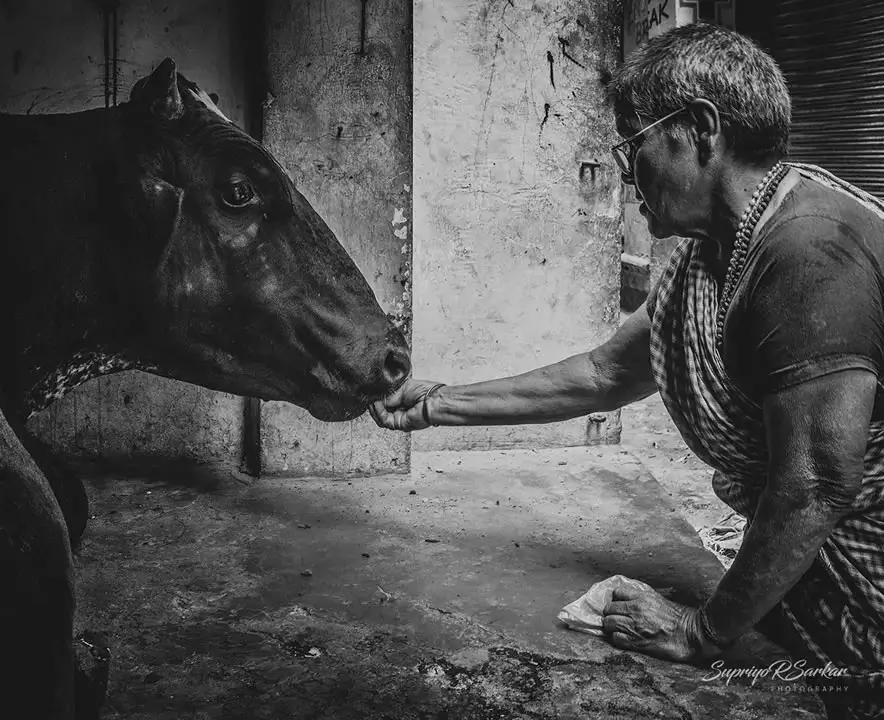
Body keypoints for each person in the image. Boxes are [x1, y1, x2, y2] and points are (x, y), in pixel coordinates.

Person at [369, 22, 884, 720]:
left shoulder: (805, 253)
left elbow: (817, 482)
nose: (624, 173)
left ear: (699, 130)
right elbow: (602, 374)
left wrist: (699, 631)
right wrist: (436, 404)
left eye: (632, 144)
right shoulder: (721, 251)